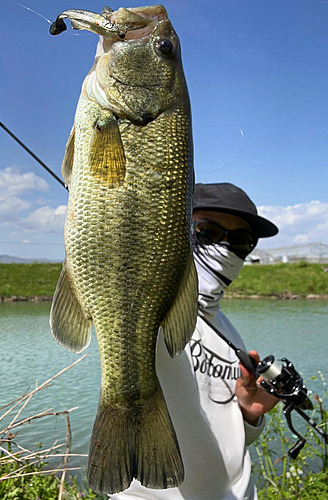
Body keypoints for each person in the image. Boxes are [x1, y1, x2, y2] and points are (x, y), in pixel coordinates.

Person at [110, 183, 280, 500]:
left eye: (241, 241)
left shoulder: (227, 328)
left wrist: (249, 414)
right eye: (207, 233)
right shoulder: (146, 309)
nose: (225, 248)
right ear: (176, 230)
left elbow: (224, 436)